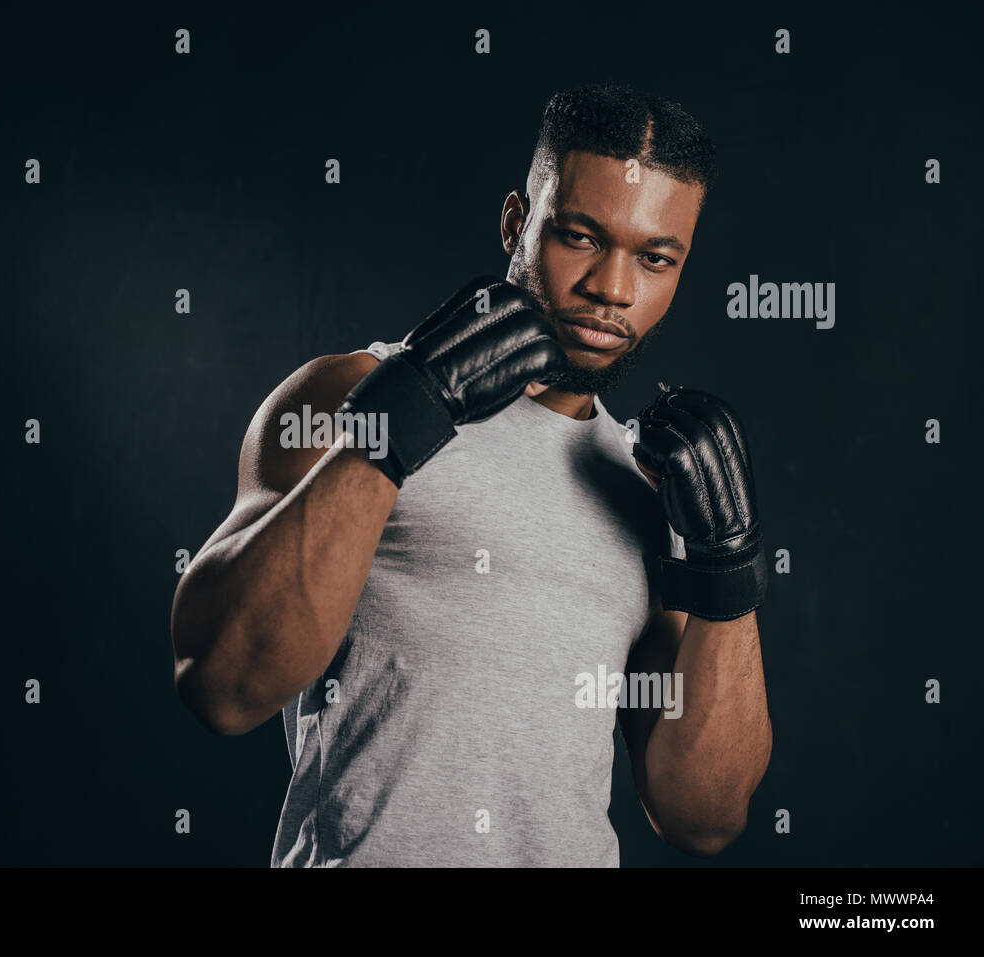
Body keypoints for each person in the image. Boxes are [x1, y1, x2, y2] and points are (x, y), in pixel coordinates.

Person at [170, 82, 772, 866]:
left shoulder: (650, 485)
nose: (613, 290)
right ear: (517, 223)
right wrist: (398, 422)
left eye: (654, 258)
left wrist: (729, 568)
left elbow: (704, 815)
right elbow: (222, 682)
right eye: (582, 237)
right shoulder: (348, 394)